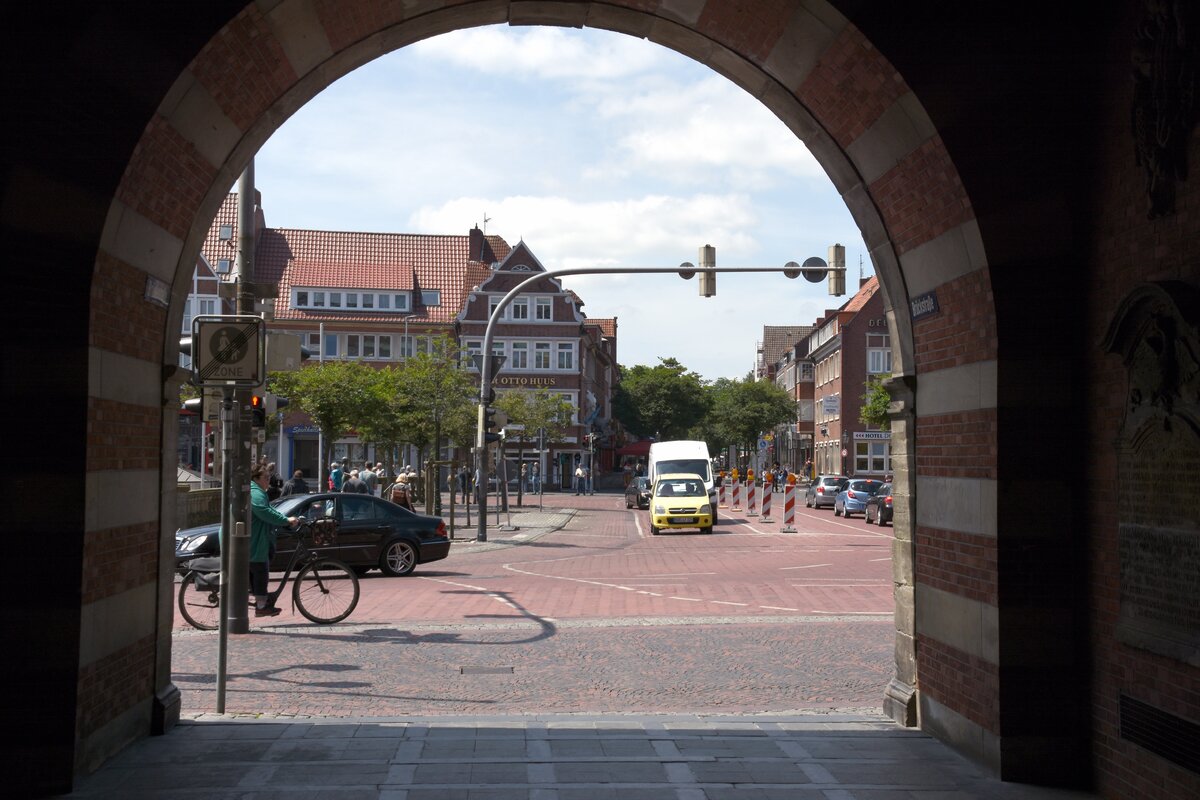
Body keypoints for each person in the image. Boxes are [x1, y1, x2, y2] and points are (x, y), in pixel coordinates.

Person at [250, 464, 297, 617]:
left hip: (255, 538)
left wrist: (284, 518)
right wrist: (286, 520)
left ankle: (255, 598)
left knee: (257, 568)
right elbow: (264, 512)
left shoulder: (258, 492)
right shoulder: (255, 493)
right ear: (255, 478)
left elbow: (269, 509)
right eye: (266, 478)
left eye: (269, 477)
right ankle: (261, 606)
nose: (268, 481)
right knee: (260, 569)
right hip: (253, 541)